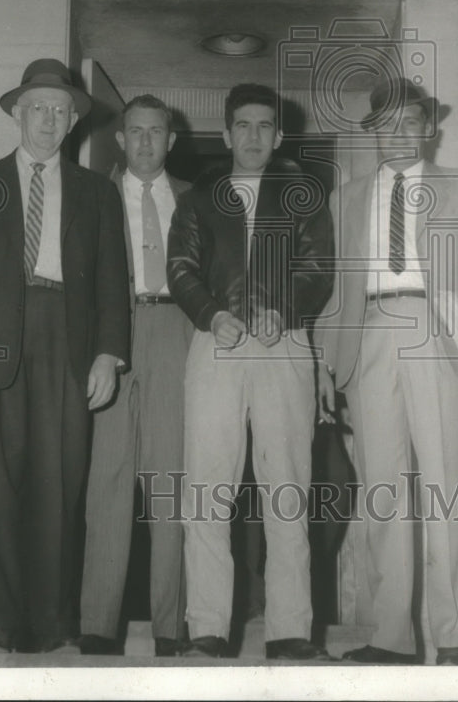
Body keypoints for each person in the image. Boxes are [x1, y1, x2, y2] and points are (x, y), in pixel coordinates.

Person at [315, 76, 458, 666]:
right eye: (387, 124)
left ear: (427, 128)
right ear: (372, 135)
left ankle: (454, 637)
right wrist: (327, 364)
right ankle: (391, 638)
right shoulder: (347, 197)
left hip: (438, 332)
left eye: (410, 121)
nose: (399, 133)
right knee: (382, 492)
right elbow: (339, 288)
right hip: (369, 336)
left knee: (446, 486)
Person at [0, 58, 130, 653]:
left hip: (67, 341)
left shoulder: (98, 192)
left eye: (60, 110)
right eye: (38, 107)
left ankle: (51, 621)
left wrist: (108, 354)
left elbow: (110, 282)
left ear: (73, 121)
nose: (49, 119)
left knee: (61, 483)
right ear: (18, 113)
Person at [167, 83, 334, 661]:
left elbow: (319, 268)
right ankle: (207, 630)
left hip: (284, 345)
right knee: (208, 489)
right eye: (243, 125)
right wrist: (213, 315)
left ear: (279, 136)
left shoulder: (306, 195)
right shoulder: (198, 199)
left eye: (265, 126)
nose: (254, 136)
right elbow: (180, 268)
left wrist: (282, 310)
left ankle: (290, 631)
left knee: (287, 485)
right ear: (226, 133)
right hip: (215, 347)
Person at [80, 95, 192, 657]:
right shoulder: (94, 193)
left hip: (176, 331)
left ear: (171, 141)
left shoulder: (197, 199)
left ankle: (171, 628)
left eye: (157, 132)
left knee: (171, 480)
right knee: (108, 480)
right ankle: (98, 628)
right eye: (135, 132)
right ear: (121, 140)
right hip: (113, 333)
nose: (146, 142)